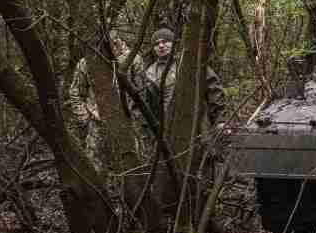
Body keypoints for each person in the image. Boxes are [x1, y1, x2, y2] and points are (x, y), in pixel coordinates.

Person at [66, 30, 142, 166]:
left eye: (114, 43)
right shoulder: (86, 63)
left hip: (127, 124)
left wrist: (133, 115)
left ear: (118, 41)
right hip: (97, 125)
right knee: (96, 167)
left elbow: (141, 92)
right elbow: (75, 92)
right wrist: (86, 118)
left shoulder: (133, 60)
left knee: (131, 166)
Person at [140, 28, 226, 137]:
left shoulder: (189, 62)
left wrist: (220, 119)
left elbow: (214, 89)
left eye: (165, 41)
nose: (161, 46)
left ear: (173, 43)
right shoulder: (149, 73)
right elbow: (148, 108)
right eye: (157, 44)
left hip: (198, 125)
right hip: (168, 131)